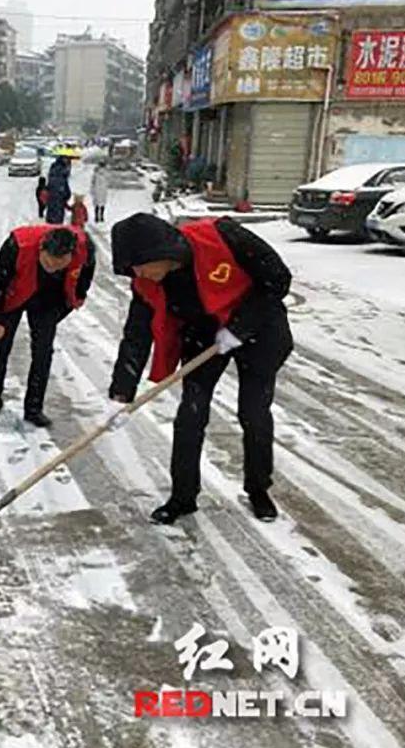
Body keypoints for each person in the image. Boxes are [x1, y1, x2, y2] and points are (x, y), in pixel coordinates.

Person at [107, 213, 293, 525]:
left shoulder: (222, 236)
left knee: (254, 412)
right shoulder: (146, 282)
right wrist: (120, 396)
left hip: (259, 327)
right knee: (190, 414)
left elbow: (277, 279)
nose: (136, 274)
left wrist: (239, 328)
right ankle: (183, 496)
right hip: (203, 334)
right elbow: (136, 336)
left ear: (159, 252)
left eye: (138, 265)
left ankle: (259, 489)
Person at [0, 225, 97, 427]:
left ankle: (34, 408)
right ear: (41, 250)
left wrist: (69, 304)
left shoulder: (85, 249)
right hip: (14, 292)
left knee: (43, 351)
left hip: (48, 299)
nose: (52, 267)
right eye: (47, 262)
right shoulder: (18, 245)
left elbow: (84, 281)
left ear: (70, 256)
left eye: (59, 265)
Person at [45, 156, 72, 224]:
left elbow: (49, 183)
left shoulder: (53, 168)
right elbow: (65, 187)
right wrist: (67, 195)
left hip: (52, 197)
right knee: (58, 218)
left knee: (51, 216)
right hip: (59, 198)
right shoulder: (63, 172)